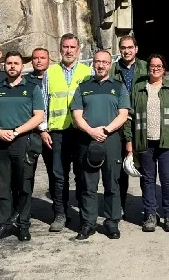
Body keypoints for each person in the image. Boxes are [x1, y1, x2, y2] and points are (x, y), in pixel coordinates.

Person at [0, 51, 45, 242]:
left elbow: (39, 116)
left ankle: (23, 225)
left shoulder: (32, 88)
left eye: (16, 63)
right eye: (9, 63)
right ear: (4, 65)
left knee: (23, 185)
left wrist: (16, 131)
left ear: (21, 66)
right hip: (0, 142)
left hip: (22, 141)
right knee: (2, 186)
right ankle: (3, 225)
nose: (12, 66)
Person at [125, 54, 169, 232]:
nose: (155, 68)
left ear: (164, 69)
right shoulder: (138, 89)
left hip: (167, 143)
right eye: (152, 66)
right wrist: (129, 141)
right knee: (148, 179)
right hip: (144, 142)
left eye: (159, 66)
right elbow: (129, 118)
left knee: (167, 179)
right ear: (148, 68)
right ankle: (150, 214)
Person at [72, 50, 131, 240]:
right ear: (93, 64)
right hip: (88, 139)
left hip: (111, 139)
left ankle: (111, 222)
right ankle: (88, 223)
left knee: (112, 182)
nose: (100, 65)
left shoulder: (119, 87)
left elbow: (123, 114)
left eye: (105, 62)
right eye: (97, 62)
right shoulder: (83, 87)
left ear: (110, 65)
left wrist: (105, 130)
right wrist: (91, 131)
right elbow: (76, 115)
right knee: (88, 185)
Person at [40, 34, 93, 232]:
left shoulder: (88, 72)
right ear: (60, 49)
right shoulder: (50, 72)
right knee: (59, 175)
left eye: (72, 47)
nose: (69, 50)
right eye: (65, 47)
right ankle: (60, 215)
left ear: (78, 49)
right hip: (58, 132)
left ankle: (83, 214)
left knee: (82, 174)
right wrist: (43, 129)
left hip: (81, 132)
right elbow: (44, 102)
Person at [112, 35, 148, 218]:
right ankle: (120, 205)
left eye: (130, 47)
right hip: (119, 121)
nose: (126, 51)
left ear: (136, 49)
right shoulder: (113, 69)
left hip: (141, 122)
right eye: (123, 47)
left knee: (144, 167)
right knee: (120, 168)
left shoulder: (145, 68)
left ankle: (148, 208)